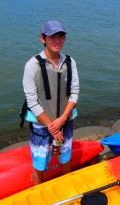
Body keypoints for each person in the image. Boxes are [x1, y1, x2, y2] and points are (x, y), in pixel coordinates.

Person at [23, 20, 79, 185]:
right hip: (42, 124)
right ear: (43, 38)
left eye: (61, 36)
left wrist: (62, 119)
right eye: (52, 36)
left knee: (65, 156)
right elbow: (31, 100)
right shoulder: (32, 65)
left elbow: (74, 92)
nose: (57, 40)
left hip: (65, 120)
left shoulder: (70, 62)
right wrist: (51, 127)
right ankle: (38, 190)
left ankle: (66, 184)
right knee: (40, 163)